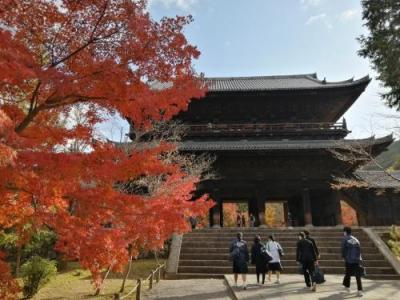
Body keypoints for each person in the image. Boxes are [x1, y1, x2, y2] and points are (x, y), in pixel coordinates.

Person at [341, 226, 363, 297]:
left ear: (345, 232)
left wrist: (343, 257)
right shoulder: (356, 239)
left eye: (343, 232)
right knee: (358, 276)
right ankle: (359, 290)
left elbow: (343, 249)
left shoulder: (345, 239)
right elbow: (359, 250)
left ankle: (347, 287)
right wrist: (359, 258)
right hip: (356, 259)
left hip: (349, 259)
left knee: (348, 272)